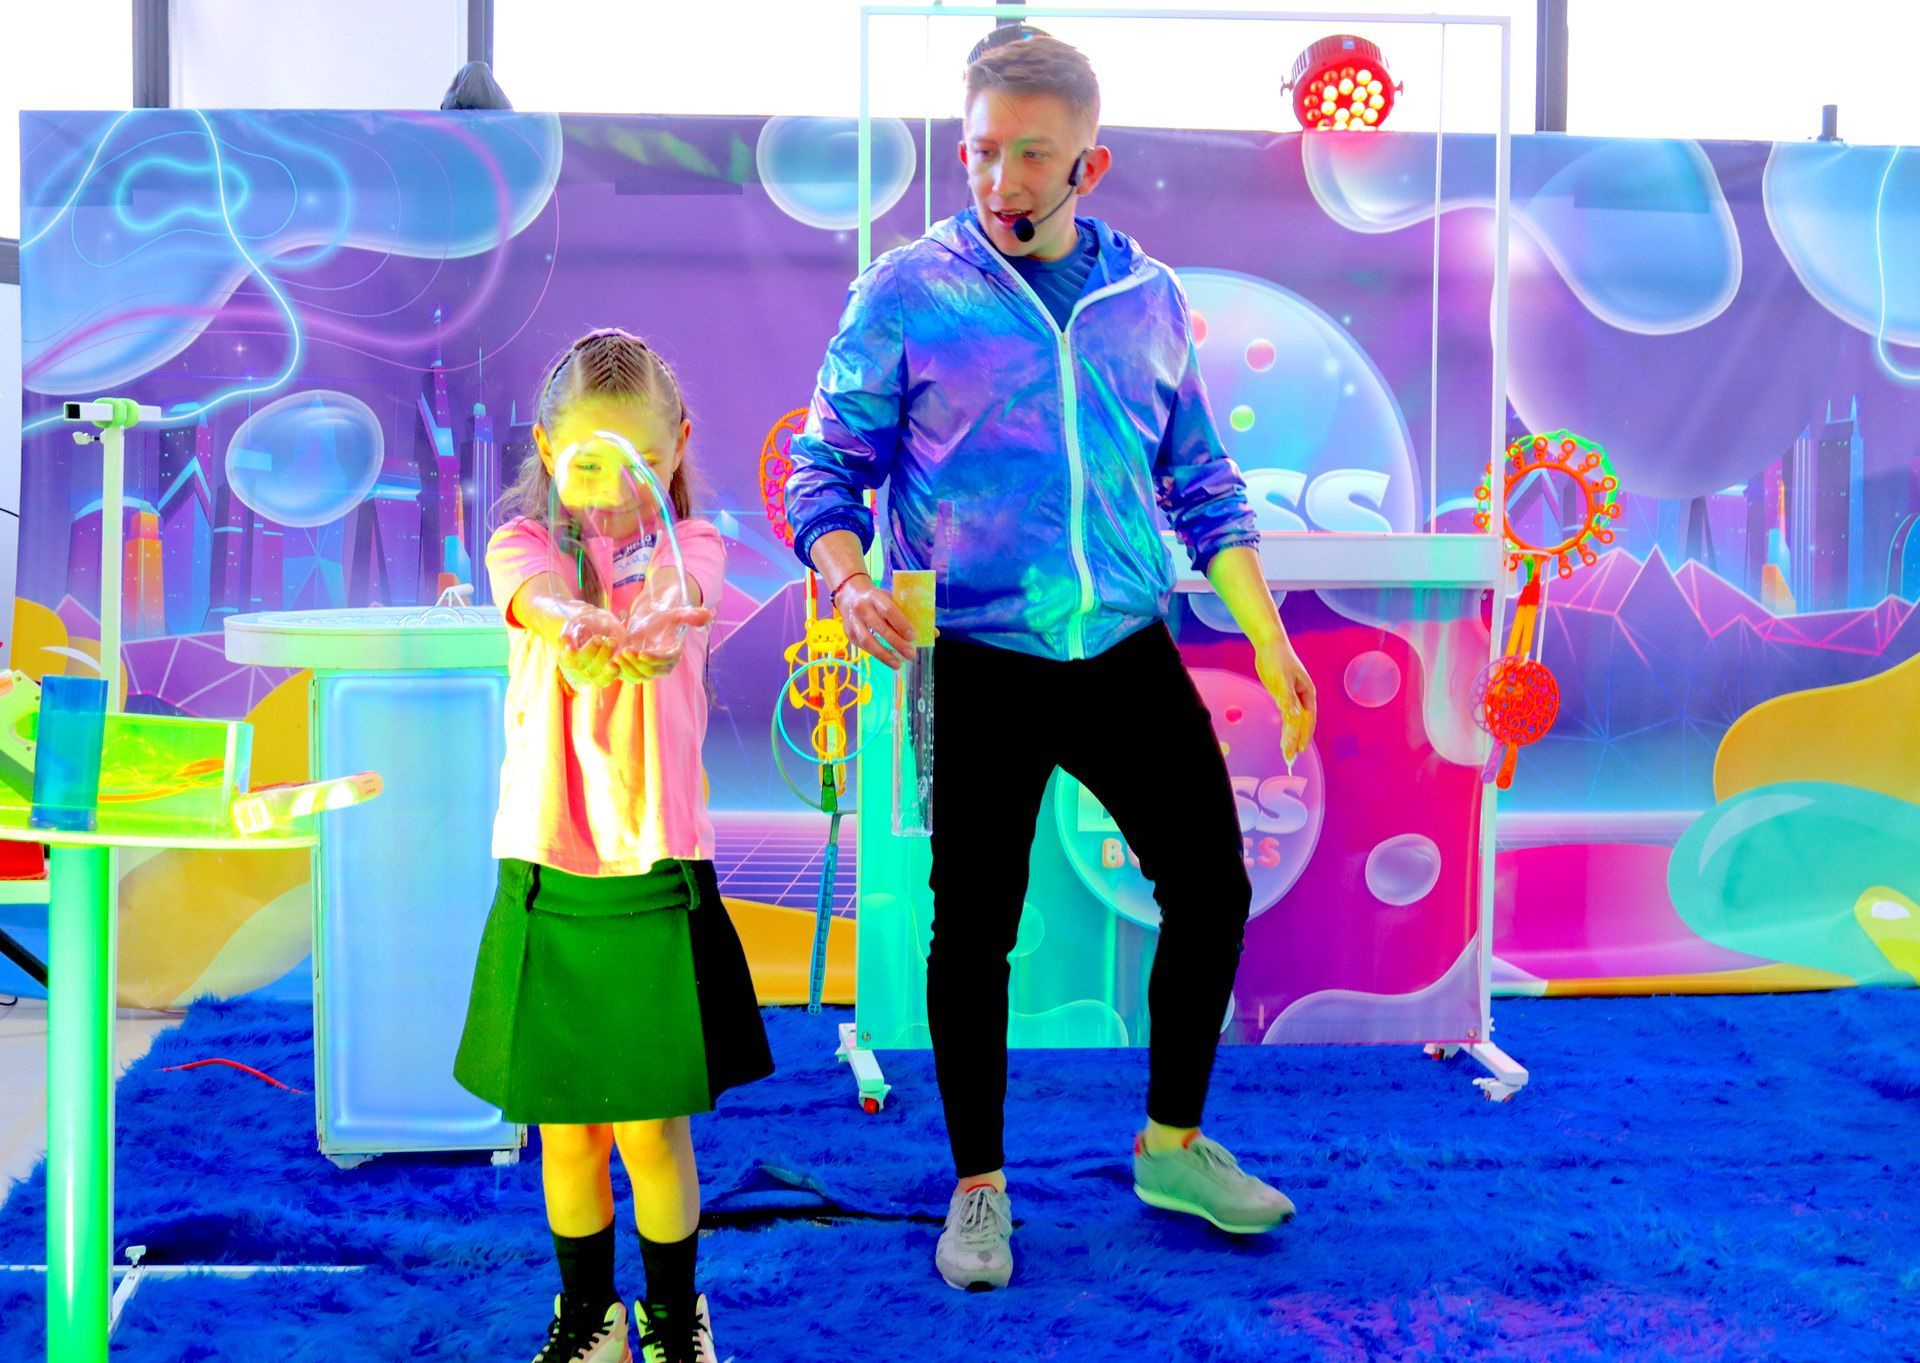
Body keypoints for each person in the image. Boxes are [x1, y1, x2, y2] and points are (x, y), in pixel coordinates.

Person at [783, 30, 1319, 1292]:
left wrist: (1267, 630)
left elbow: (1203, 485)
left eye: (1031, 153)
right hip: (969, 658)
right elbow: (825, 470)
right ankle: (978, 1188)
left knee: (1214, 885)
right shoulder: (905, 293)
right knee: (972, 933)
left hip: (1124, 646)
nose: (1002, 179)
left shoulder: (1149, 301)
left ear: (1091, 158)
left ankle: (1172, 1142)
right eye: (980, 152)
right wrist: (849, 575)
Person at [454, 328, 773, 1361]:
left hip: (651, 874)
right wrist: (575, 625)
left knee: (650, 1130)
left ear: (675, 447)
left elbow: (690, 596)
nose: (612, 488)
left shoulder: (699, 549)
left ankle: (676, 1320)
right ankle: (588, 1317)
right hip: (547, 875)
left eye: (638, 461)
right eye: (588, 462)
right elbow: (532, 593)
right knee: (567, 1130)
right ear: (549, 454)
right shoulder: (524, 548)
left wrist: (657, 620)